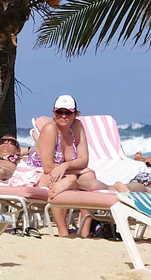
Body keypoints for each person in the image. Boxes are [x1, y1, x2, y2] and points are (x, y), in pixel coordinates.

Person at [37, 95, 106, 237]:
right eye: (59, 112)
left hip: (63, 171)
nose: (63, 116)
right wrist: (66, 170)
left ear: (75, 114)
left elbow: (84, 160)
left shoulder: (77, 126)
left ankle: (85, 230)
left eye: (68, 112)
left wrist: (65, 166)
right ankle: (63, 231)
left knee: (89, 174)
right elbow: (48, 167)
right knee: (59, 178)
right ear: (53, 113)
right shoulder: (50, 129)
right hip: (39, 173)